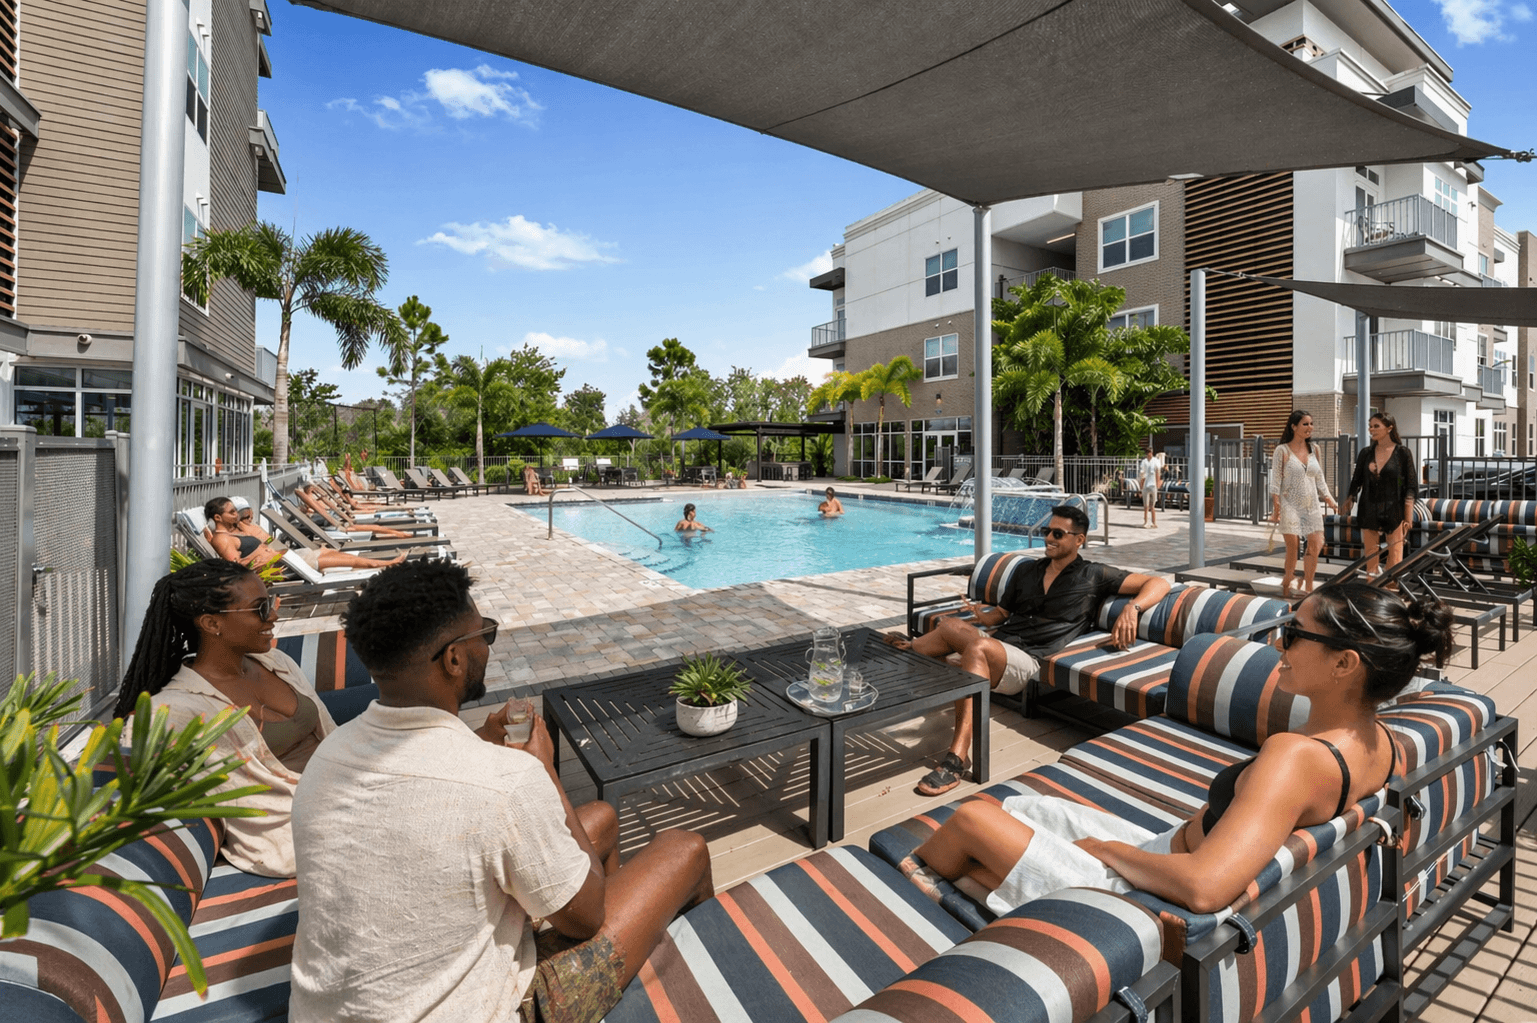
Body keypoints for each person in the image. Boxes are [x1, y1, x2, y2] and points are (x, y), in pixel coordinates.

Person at [288, 560, 714, 1023]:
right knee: (683, 849)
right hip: (478, 1008)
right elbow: (590, 916)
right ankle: (698, 979)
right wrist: (546, 772)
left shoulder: (330, 755)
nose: (488, 647)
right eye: (483, 635)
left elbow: (428, 804)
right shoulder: (506, 781)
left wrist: (477, 744)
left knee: (603, 819)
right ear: (453, 659)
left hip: (343, 1005)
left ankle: (613, 931)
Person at [900, 581, 1451, 918]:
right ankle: (985, 885)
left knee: (973, 818)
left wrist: (1109, 852)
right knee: (1024, 807)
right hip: (1163, 851)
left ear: (1344, 663)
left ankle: (948, 905)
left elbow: (1205, 888)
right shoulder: (1384, 744)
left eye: (1295, 634)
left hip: (1146, 891)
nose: (1277, 643)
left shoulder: (1295, 757)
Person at [889, 505, 1170, 795]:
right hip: (1002, 642)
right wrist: (982, 617)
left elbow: (1158, 582)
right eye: (1047, 531)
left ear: (1079, 540)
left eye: (1058, 533)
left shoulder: (1093, 575)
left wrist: (1133, 609)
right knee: (949, 625)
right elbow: (1001, 614)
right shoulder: (1027, 570)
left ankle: (957, 758)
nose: (1049, 538)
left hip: (1029, 659)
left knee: (978, 648)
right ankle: (910, 648)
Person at [114, 559, 336, 877]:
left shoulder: (275, 661)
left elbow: (329, 731)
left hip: (343, 792)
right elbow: (138, 766)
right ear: (211, 623)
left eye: (271, 602)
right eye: (260, 608)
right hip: (298, 834)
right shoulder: (179, 709)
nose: (274, 615)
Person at [203, 496, 405, 573]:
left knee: (329, 553)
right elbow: (238, 570)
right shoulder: (222, 539)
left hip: (286, 558)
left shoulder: (232, 532)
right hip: (283, 567)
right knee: (339, 559)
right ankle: (386, 564)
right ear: (217, 518)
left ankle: (382, 563)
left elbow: (263, 543)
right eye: (232, 513)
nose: (237, 515)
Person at [1269, 411, 1340, 599]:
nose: (1310, 428)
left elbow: (1320, 478)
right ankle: (1287, 582)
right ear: (1293, 427)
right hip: (1289, 504)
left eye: (1311, 424)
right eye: (1305, 424)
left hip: (1311, 506)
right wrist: (1276, 508)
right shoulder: (1282, 451)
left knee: (1315, 545)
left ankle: (1308, 587)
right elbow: (1275, 481)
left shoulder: (1315, 449)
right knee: (1293, 548)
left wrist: (1330, 500)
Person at [1342, 412, 1418, 579]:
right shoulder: (1365, 453)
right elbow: (1356, 481)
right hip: (1369, 507)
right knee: (1371, 557)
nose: (1371, 429)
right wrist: (1350, 498)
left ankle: (1391, 589)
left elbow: (1411, 486)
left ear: (1389, 428)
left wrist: (1408, 514)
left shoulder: (1403, 453)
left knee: (1396, 555)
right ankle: (1372, 586)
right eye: (1370, 426)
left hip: (1394, 509)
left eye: (1376, 426)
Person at [294, 482, 414, 539]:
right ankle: (400, 534)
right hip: (337, 526)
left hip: (338, 522)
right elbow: (299, 493)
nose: (315, 489)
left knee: (376, 524)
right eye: (313, 488)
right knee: (376, 527)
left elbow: (324, 509)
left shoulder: (315, 503)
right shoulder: (313, 505)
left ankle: (399, 533)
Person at [1135, 445, 1161, 528]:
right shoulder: (1144, 462)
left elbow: (1157, 473)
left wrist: (1158, 484)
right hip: (1146, 485)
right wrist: (1141, 487)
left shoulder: (1156, 461)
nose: (1148, 454)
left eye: (1149, 452)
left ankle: (1154, 522)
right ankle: (1145, 522)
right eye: (1147, 453)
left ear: (1151, 453)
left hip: (1153, 485)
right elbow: (1142, 475)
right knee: (1146, 506)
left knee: (1152, 505)